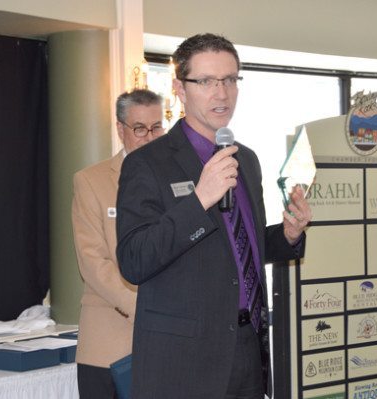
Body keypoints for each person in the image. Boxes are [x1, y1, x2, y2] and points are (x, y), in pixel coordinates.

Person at [116, 33, 312, 399]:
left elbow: (236, 249)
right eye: (206, 81)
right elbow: (134, 259)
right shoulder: (147, 163)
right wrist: (199, 201)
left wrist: (286, 235)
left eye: (230, 79)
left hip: (248, 348)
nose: (221, 93)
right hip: (184, 363)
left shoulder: (246, 160)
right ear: (180, 87)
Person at [71, 89, 164, 399]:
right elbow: (92, 262)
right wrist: (144, 307)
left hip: (168, 341)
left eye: (156, 127)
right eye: (139, 129)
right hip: (108, 343)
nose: (150, 137)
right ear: (120, 129)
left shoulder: (182, 183)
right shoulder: (91, 180)